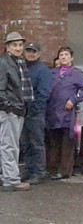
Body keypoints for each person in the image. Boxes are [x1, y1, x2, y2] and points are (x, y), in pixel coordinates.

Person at [46, 46, 83, 180]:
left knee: (67, 142)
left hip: (67, 113)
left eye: (66, 55)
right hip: (53, 112)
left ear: (71, 58)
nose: (63, 57)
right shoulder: (52, 73)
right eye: (61, 55)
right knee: (54, 141)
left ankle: (65, 170)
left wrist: (74, 99)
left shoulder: (76, 73)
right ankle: (52, 168)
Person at [0, 32, 33, 191]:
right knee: (9, 145)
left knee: (10, 145)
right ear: (7, 47)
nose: (18, 48)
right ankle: (11, 180)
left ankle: (7, 176)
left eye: (20, 45)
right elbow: (1, 90)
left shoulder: (19, 62)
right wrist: (10, 107)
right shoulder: (4, 63)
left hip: (17, 109)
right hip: (10, 110)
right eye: (14, 45)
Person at [20, 42, 52, 185]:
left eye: (33, 51)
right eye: (28, 51)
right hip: (21, 112)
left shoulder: (43, 70)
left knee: (37, 143)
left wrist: (34, 109)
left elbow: (43, 93)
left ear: (38, 53)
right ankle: (29, 169)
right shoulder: (22, 68)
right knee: (25, 143)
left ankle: (39, 172)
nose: (31, 54)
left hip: (35, 113)